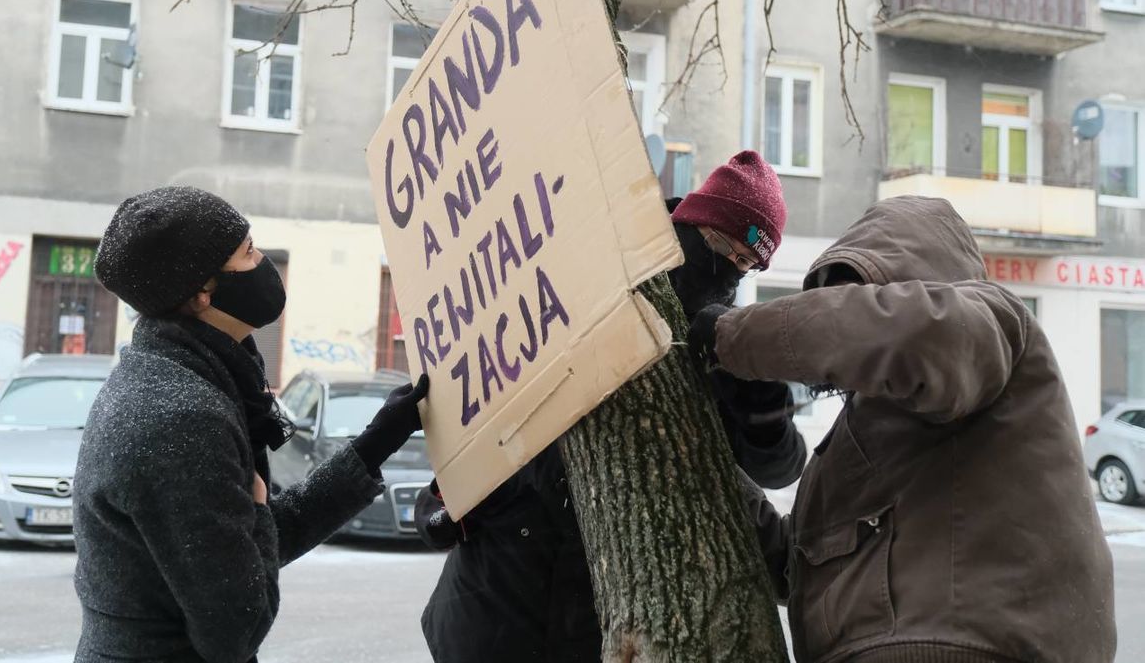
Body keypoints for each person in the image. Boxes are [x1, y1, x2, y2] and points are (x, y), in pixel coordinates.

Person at [415, 150, 806, 663]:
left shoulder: (717, 348)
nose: (729, 272)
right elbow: (492, 400)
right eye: (720, 246)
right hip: (489, 608)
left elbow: (774, 468)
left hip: (586, 624)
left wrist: (764, 412)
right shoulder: (587, 279)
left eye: (746, 264)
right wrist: (444, 498)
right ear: (688, 222)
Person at [689, 195, 1116, 663]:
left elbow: (915, 332)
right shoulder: (862, 438)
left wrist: (734, 338)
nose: (840, 319)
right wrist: (699, 460)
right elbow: (799, 565)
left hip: (967, 645)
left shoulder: (991, 316)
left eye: (857, 295)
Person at [73, 186, 428, 663]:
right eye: (248, 253)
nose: (264, 264)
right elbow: (236, 629)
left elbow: (235, 542)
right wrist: (259, 511)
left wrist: (373, 446)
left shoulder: (184, 375)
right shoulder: (181, 418)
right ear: (202, 291)